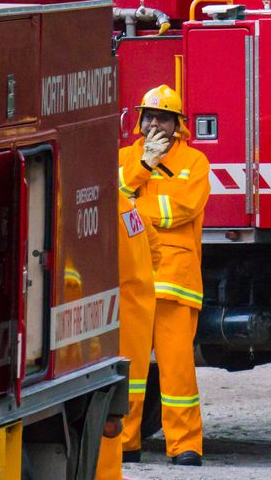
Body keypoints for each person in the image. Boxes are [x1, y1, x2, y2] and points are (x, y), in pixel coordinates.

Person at [117, 84, 211, 466]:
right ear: (140, 121)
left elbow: (185, 208)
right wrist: (143, 168)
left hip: (176, 279)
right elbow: (115, 196)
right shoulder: (125, 157)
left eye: (164, 117)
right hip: (133, 276)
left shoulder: (196, 161)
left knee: (178, 370)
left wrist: (138, 210)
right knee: (130, 366)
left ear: (178, 125)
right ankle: (125, 441)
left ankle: (185, 444)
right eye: (150, 116)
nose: (155, 122)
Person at [96, 193, 158, 478]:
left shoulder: (104, 208)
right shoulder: (127, 206)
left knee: (107, 394)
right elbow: (155, 250)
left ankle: (123, 452)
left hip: (120, 315)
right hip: (139, 310)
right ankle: (127, 448)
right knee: (127, 391)